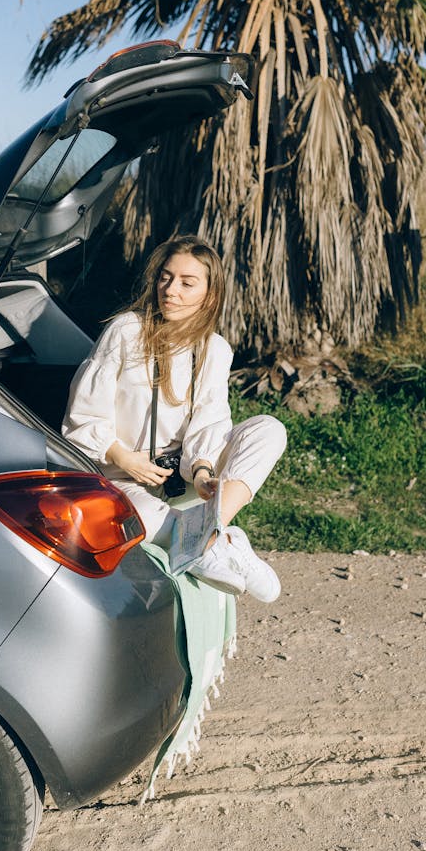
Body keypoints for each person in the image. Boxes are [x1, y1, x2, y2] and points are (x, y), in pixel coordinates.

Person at [62, 235, 287, 602]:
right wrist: (122, 456)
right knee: (131, 517)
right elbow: (83, 414)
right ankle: (218, 543)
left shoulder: (215, 349)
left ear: (209, 295)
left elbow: (211, 418)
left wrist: (201, 471)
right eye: (165, 278)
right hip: (118, 474)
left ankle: (211, 532)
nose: (170, 291)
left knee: (269, 430)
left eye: (186, 283)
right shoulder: (126, 330)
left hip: (178, 474)